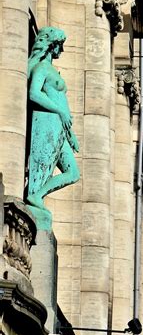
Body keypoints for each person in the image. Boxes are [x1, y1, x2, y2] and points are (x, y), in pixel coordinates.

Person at [26, 27, 79, 229]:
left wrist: (70, 133)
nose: (62, 51)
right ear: (52, 45)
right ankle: (36, 195)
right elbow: (33, 94)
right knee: (52, 169)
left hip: (59, 128)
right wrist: (61, 112)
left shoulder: (50, 69)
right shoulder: (41, 68)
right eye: (60, 46)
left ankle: (37, 195)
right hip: (48, 124)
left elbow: (61, 101)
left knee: (73, 173)